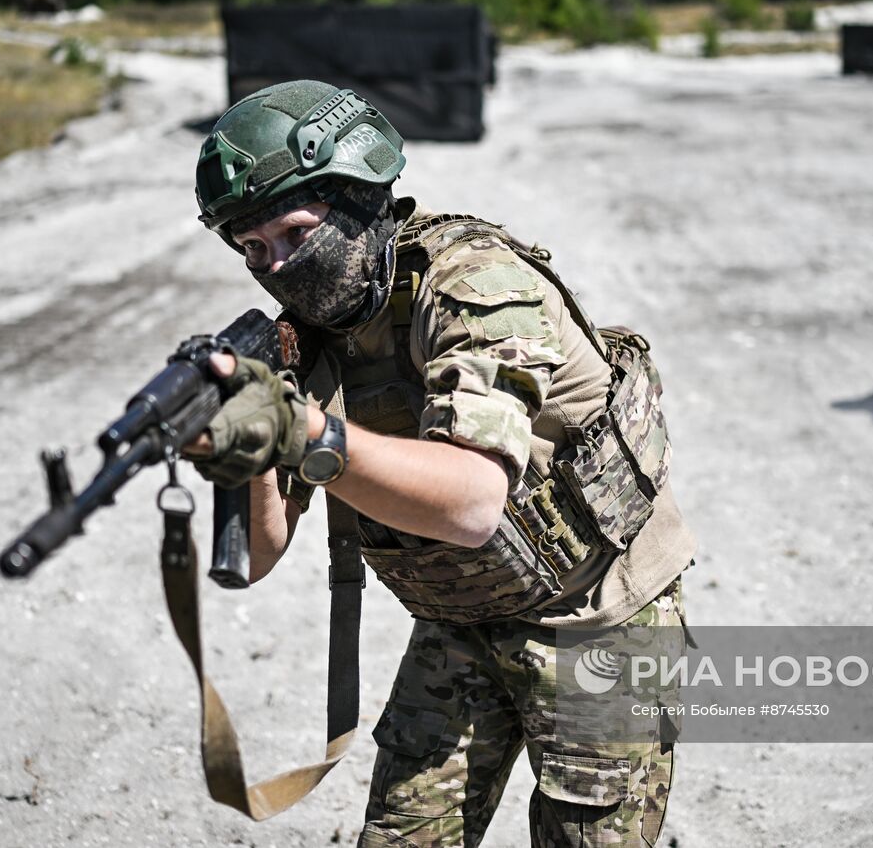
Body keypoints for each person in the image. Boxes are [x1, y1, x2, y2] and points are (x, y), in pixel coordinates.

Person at [185, 79, 695, 847]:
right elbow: (256, 556)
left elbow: (471, 501)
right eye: (252, 249)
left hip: (599, 615)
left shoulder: (473, 286)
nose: (278, 267)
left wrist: (300, 429)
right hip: (461, 619)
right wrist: (250, 447)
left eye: (294, 233)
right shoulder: (309, 339)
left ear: (358, 198)